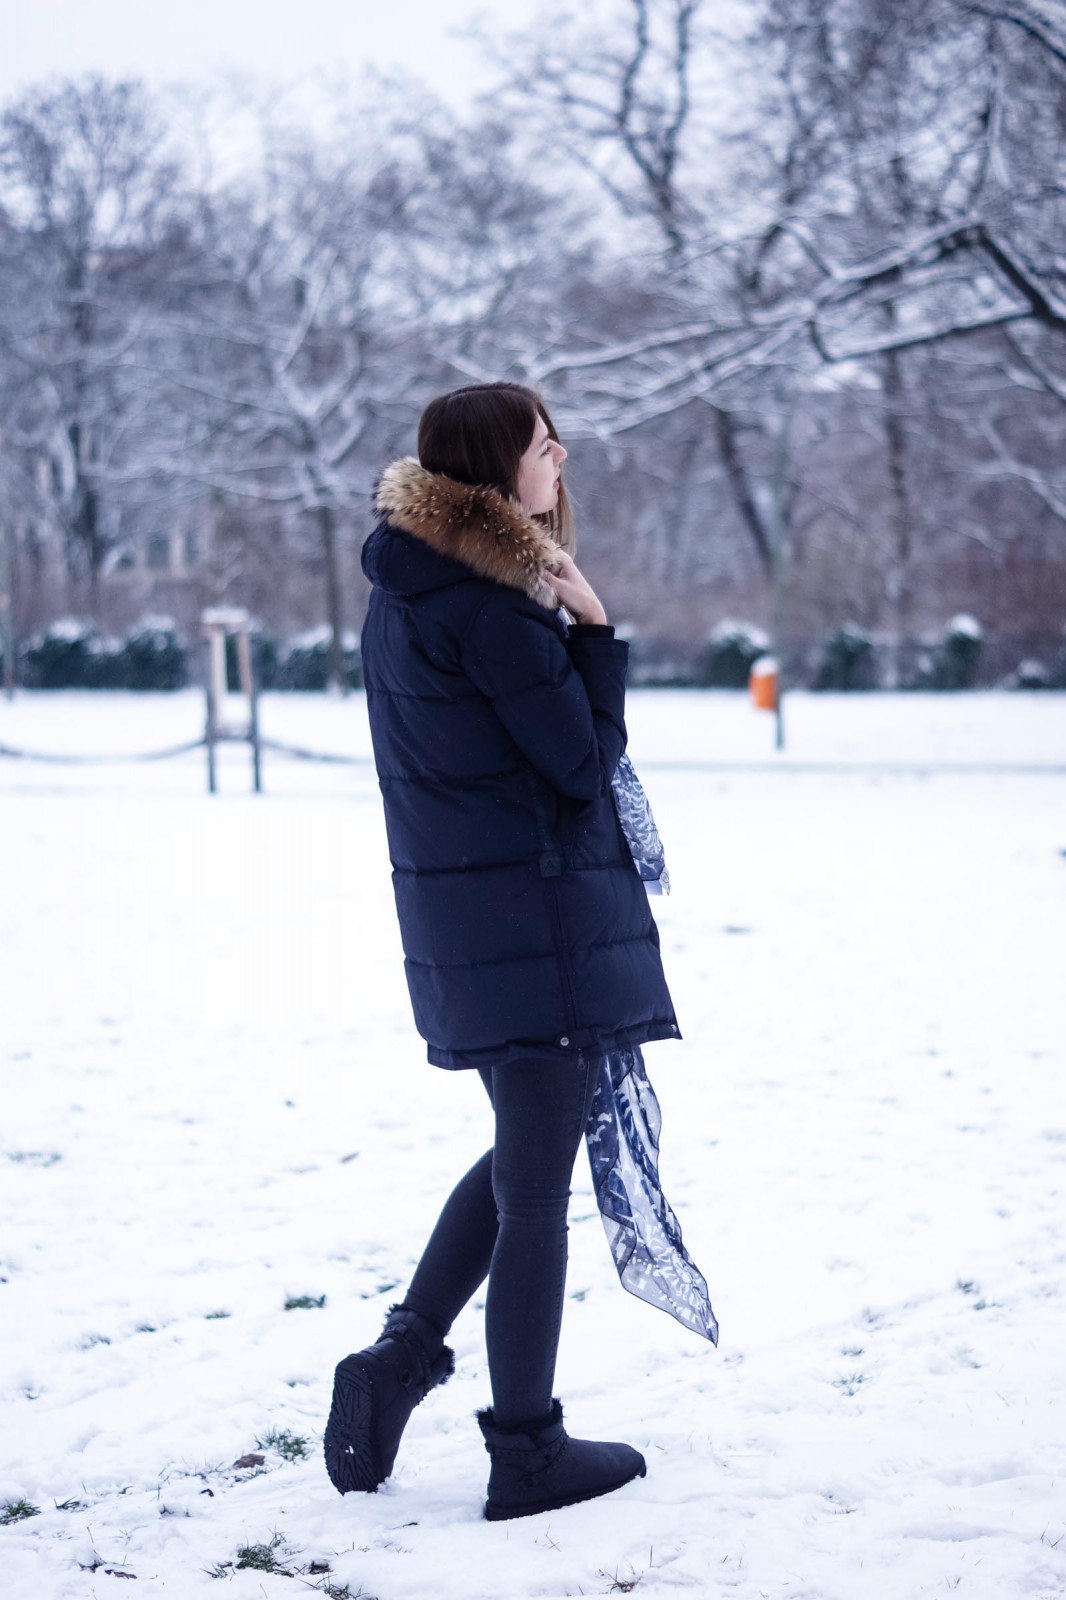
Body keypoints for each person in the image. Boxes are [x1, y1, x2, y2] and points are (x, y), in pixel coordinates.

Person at [324, 382, 683, 1521]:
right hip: (532, 920)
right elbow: (577, 765)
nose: (560, 454)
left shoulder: (408, 586)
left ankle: (397, 1362)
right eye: (541, 443)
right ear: (493, 472)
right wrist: (593, 632)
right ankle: (525, 1449)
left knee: (527, 1146)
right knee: (536, 1187)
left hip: (472, 922)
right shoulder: (494, 606)